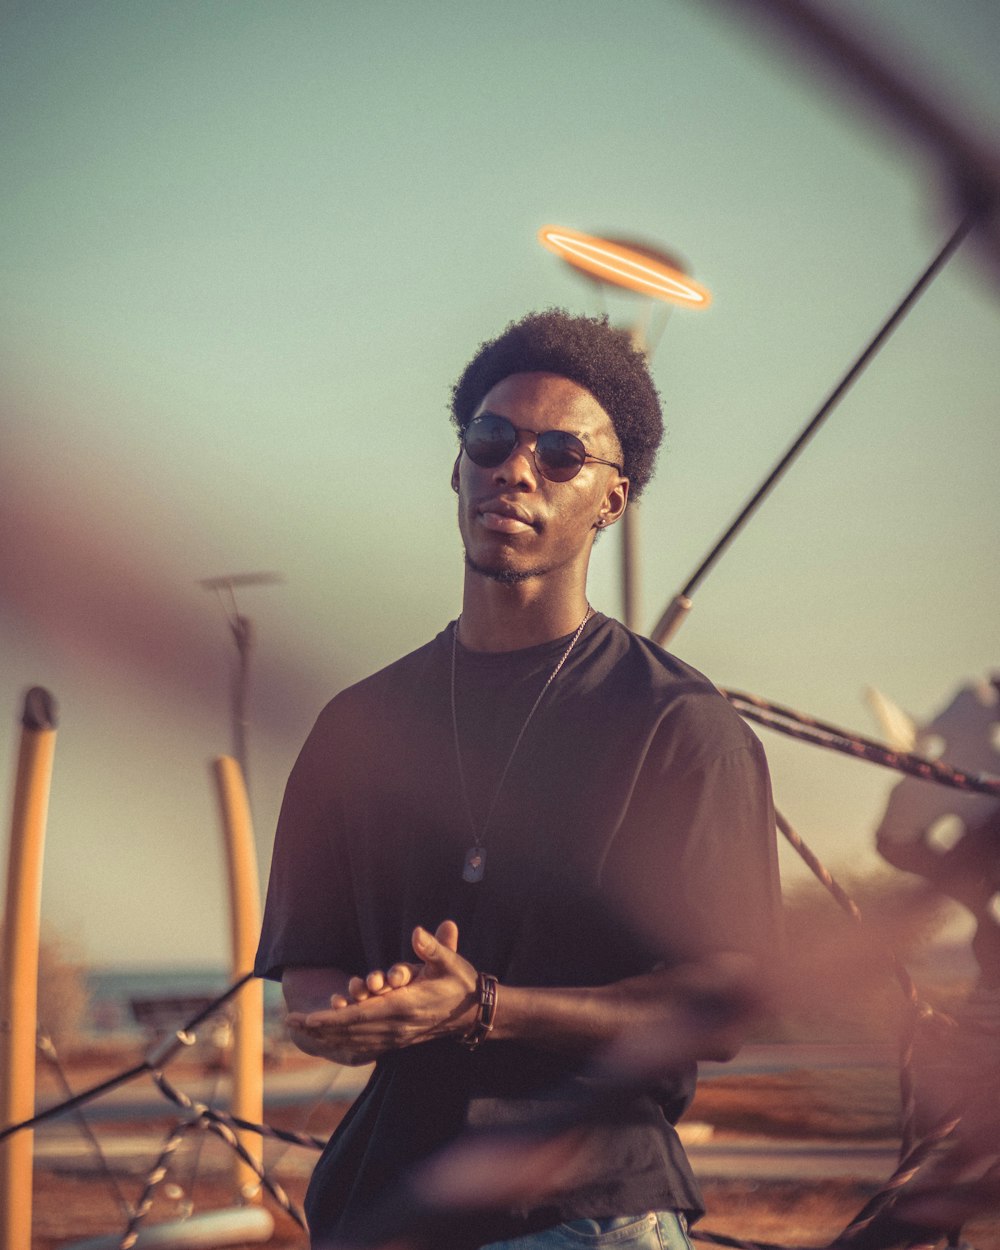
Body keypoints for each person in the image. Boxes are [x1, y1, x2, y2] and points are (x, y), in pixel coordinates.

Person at [254, 310, 782, 1249]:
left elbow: (724, 999)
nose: (516, 467)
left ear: (613, 500)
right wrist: (352, 1016)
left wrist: (486, 1009)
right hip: (384, 1204)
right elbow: (311, 973)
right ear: (458, 469)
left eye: (561, 453)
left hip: (589, 1208)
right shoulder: (357, 726)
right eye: (491, 438)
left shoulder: (677, 724)